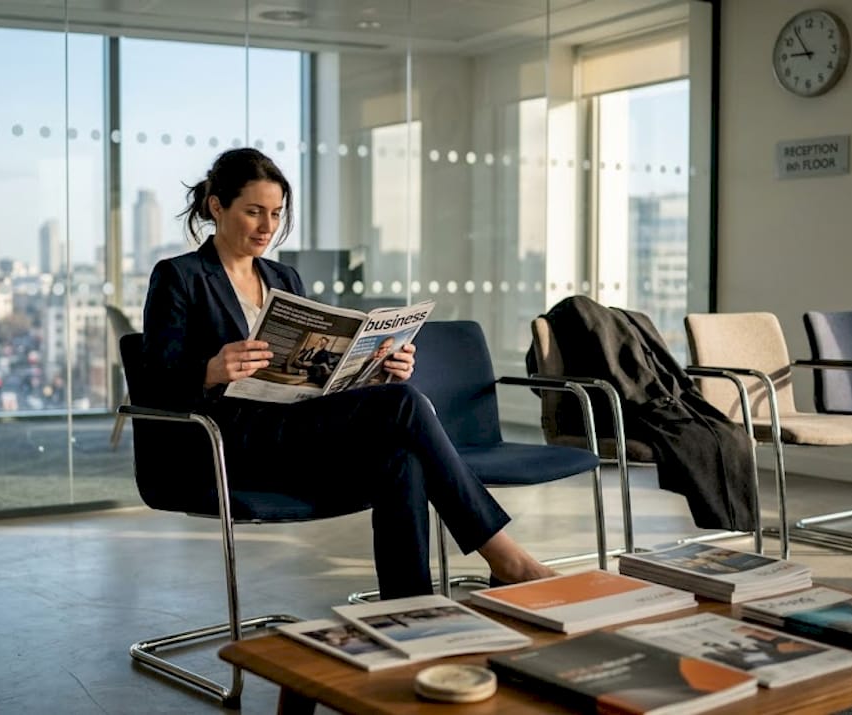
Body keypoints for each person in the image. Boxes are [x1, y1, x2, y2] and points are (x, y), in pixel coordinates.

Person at [141, 147, 556, 599]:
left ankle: (413, 610)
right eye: (253, 212)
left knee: (403, 456)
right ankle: (504, 556)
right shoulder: (179, 276)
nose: (267, 227)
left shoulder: (284, 279)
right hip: (232, 442)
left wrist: (378, 368)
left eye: (277, 214)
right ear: (217, 207)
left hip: (297, 428)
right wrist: (210, 370)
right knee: (405, 405)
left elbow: (319, 376)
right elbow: (156, 384)